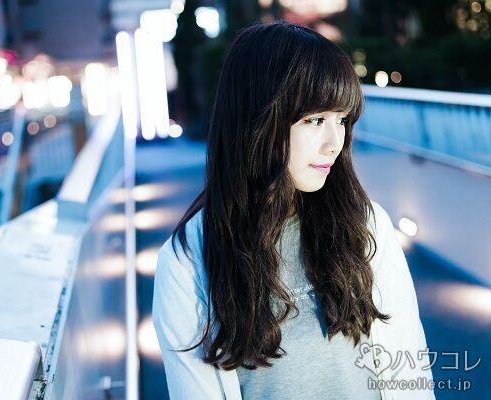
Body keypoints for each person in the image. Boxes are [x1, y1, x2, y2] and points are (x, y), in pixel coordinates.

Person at [152, 22, 435, 400]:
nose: (334, 143)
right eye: (315, 120)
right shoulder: (188, 262)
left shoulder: (365, 225)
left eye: (341, 120)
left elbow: (409, 369)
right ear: (258, 120)